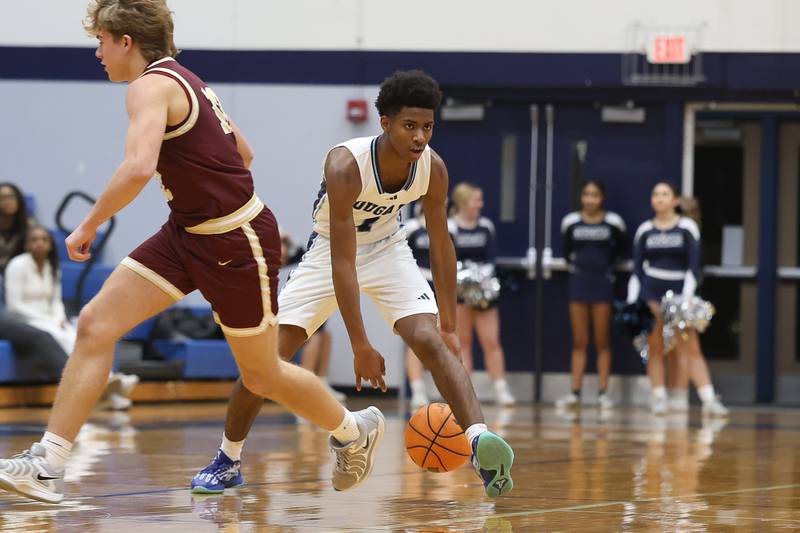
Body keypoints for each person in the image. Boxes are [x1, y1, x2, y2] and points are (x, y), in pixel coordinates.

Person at [0, 0, 381, 504]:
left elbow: (139, 168)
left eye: (101, 42)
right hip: (188, 232)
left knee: (261, 373)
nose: (98, 53)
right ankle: (48, 464)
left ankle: (353, 430)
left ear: (126, 41)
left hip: (234, 239)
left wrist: (86, 226)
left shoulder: (149, 86)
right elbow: (243, 152)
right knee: (95, 324)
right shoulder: (187, 80)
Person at [192, 70, 515, 497]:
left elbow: (441, 245)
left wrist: (450, 325)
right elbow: (344, 263)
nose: (420, 137)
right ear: (385, 123)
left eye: (427, 127)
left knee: (430, 339)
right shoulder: (346, 164)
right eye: (410, 126)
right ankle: (228, 459)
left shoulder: (432, 169)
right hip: (330, 251)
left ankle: (478, 442)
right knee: (265, 362)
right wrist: (360, 344)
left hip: (388, 247)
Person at [5, 225, 137, 409]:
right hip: (25, 320)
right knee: (60, 336)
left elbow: (56, 301)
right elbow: (15, 306)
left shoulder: (52, 267)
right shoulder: (17, 265)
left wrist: (59, 318)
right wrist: (48, 321)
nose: (39, 244)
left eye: (44, 239)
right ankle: (104, 382)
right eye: (34, 240)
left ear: (51, 244)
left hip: (50, 319)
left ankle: (108, 386)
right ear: (26, 244)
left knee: (78, 335)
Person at [627, 182, 728, 417]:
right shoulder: (645, 230)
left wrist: (687, 297)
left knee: (690, 347)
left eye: (665, 194)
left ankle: (709, 399)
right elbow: (637, 269)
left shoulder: (686, 227)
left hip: (680, 292)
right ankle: (659, 397)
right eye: (656, 194)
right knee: (655, 346)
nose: (660, 198)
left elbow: (694, 266)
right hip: (651, 290)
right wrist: (633, 301)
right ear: (652, 200)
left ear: (674, 201)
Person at [555, 181, 626, 410]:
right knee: (579, 340)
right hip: (578, 282)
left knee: (602, 339)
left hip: (603, 283)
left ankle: (604, 393)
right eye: (586, 194)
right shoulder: (571, 222)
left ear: (602, 197)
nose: (590, 199)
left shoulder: (614, 223)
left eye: (595, 195)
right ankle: (575, 393)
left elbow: (620, 252)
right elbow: (566, 252)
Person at [449, 183, 516, 406]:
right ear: (462, 203)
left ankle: (500, 388)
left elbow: (491, 258)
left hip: (484, 292)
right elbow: (447, 258)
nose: (480, 205)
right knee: (463, 342)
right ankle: (466, 392)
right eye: (476, 200)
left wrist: (482, 278)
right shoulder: (450, 227)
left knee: (491, 341)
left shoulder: (485, 226)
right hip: (459, 292)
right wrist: (463, 278)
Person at [279, 230, 345, 402]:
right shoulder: (262, 264)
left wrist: (287, 237)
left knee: (325, 334)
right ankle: (305, 390)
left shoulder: (296, 262)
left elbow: (301, 251)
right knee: (314, 336)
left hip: (281, 311)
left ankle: (321, 381)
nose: (284, 256)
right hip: (269, 316)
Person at [403, 204, 441, 409]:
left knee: (442, 336)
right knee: (416, 339)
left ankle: (443, 388)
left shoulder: (446, 227)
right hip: (416, 285)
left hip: (440, 285)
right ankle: (417, 390)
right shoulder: (410, 228)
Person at [0, 182, 31, 275]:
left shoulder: (29, 228)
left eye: (11, 197)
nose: (8, 201)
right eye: (3, 198)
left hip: (19, 276)